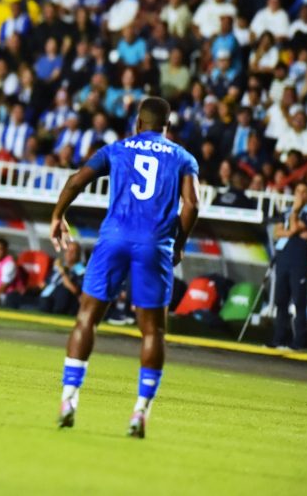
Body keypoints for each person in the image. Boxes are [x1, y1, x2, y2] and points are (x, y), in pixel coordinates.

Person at [49, 96, 200, 439]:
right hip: (154, 243)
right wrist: (178, 243)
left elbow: (75, 180)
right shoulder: (182, 157)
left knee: (87, 317)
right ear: (167, 127)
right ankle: (140, 411)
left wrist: (58, 215)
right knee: (153, 332)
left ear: (137, 124)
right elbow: (192, 204)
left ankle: (68, 400)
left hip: (114, 238)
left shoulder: (117, 149)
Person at [269, 181, 307, 350]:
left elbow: (295, 228)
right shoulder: (285, 211)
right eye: (297, 191)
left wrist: (295, 213)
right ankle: (279, 339)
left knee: (299, 301)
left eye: (304, 191)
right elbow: (278, 232)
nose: (300, 194)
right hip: (283, 260)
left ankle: (298, 342)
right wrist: (292, 230)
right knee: (280, 301)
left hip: (298, 262)